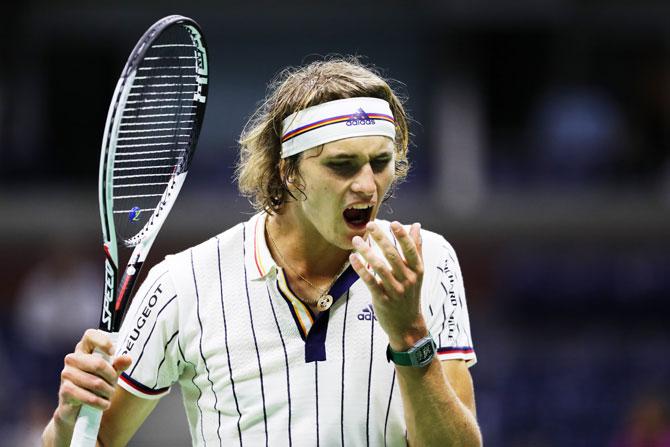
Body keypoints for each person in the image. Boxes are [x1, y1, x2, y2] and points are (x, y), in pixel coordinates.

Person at [42, 57, 481, 446]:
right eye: (341, 165)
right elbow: (93, 439)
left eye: (380, 162)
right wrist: (66, 419)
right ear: (289, 172)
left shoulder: (426, 261)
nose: (367, 185)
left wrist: (410, 337)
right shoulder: (184, 284)